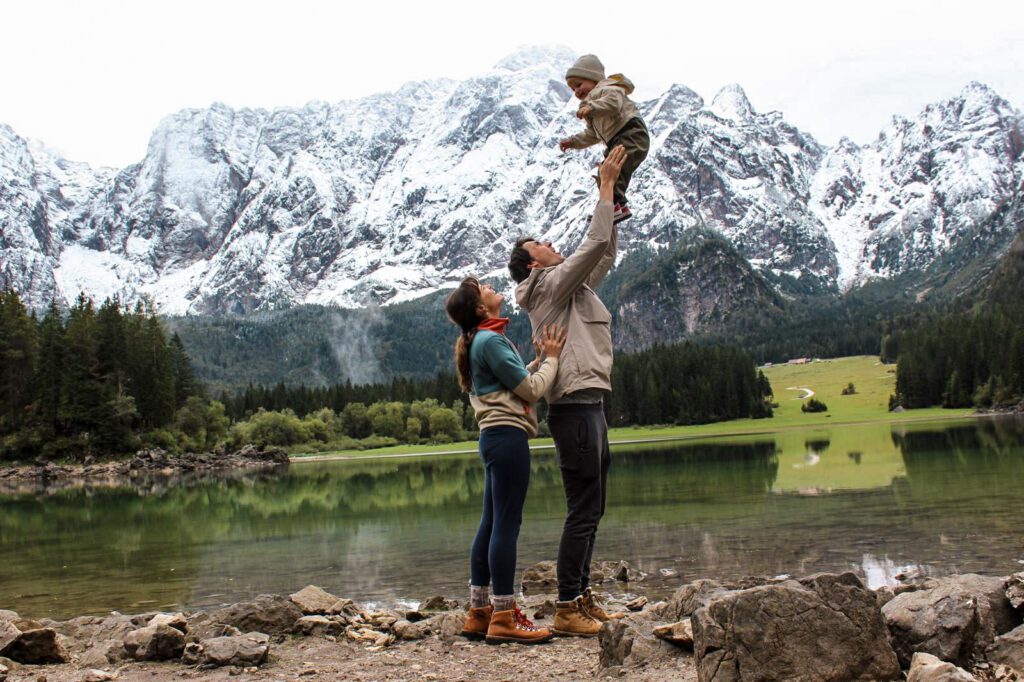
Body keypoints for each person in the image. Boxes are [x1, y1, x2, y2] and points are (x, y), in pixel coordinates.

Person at [506, 145, 628, 637]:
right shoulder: (549, 286)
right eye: (543, 246)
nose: (553, 245)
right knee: (583, 507)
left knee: (593, 505)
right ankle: (565, 606)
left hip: (590, 404)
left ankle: (580, 595)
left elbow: (603, 250)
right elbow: (590, 244)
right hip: (574, 408)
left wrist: (613, 200)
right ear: (533, 267)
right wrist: (602, 188)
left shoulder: (569, 287)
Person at [445, 276, 567, 645]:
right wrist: (555, 359)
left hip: (493, 438)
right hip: (508, 437)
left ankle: (479, 611)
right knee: (506, 526)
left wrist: (537, 361)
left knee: (491, 522)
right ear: (481, 308)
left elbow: (512, 383)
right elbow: (530, 391)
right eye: (484, 288)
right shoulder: (491, 340)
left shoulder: (479, 340)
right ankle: (503, 615)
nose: (492, 288)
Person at [558, 54, 650, 224]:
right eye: (573, 89)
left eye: (579, 85)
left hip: (630, 133)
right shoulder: (589, 106)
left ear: (593, 78)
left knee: (613, 171)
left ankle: (611, 208)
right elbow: (592, 135)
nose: (577, 91)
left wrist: (591, 107)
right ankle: (617, 207)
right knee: (605, 172)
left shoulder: (609, 89)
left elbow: (613, 105)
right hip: (616, 139)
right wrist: (573, 142)